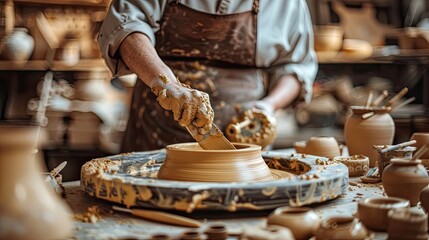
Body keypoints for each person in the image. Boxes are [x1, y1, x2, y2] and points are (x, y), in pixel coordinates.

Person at [98, 0, 318, 152]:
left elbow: (296, 66)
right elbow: (125, 27)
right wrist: (168, 84)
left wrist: (269, 105)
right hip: (155, 136)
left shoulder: (288, 4)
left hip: (243, 147)